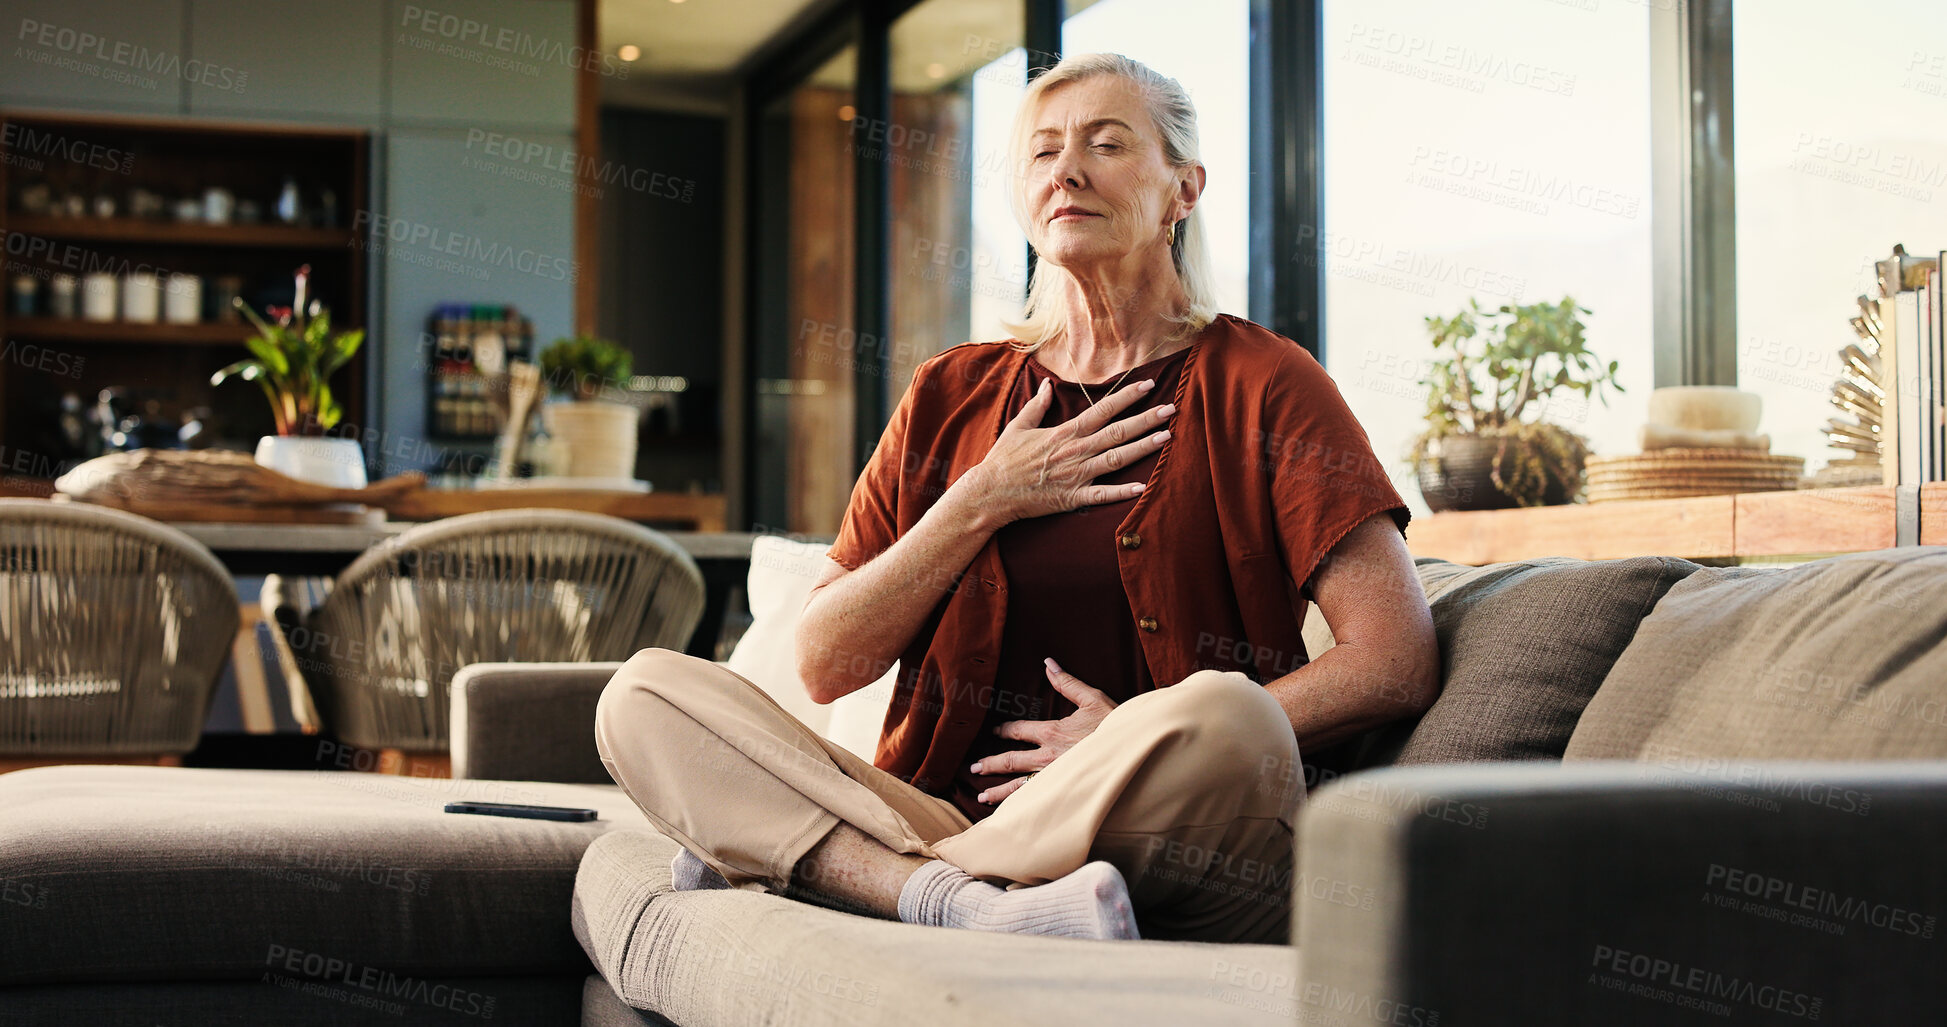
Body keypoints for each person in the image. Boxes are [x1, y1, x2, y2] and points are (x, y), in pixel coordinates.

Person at [596, 53, 1439, 946]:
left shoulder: (1266, 382)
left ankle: (844, 871)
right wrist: (978, 500)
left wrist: (1128, 737)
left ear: (1183, 190)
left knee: (1225, 712)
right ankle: (959, 899)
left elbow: (1393, 659)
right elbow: (823, 663)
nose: (1065, 170)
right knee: (643, 694)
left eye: (1105, 144)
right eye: (1042, 151)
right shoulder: (948, 392)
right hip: (940, 814)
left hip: (1163, 824)